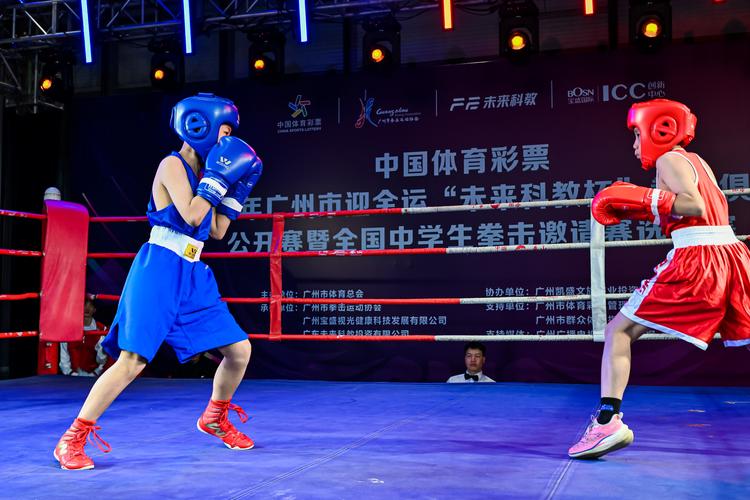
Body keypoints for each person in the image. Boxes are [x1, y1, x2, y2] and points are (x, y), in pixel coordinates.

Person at [54, 93, 264, 470]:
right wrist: (218, 179)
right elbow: (192, 214)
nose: (227, 141)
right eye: (224, 131)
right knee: (132, 360)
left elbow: (216, 230)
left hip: (193, 273)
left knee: (239, 350)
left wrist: (236, 192)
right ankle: (72, 438)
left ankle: (215, 417)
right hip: (160, 267)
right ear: (199, 125)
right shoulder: (172, 166)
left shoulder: (204, 176)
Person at [568, 99, 750, 459]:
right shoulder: (697, 162)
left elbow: (692, 206)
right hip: (732, 255)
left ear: (660, 129)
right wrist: (635, 207)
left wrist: (638, 196)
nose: (635, 145)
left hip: (698, 258)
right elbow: (690, 212)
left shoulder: (669, 159)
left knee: (618, 331)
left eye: (637, 134)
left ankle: (606, 422)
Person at [59, 294, 109, 377]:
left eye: (91, 305)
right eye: (84, 304)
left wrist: (94, 374)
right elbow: (64, 357)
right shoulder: (68, 329)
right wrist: (71, 374)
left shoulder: (102, 330)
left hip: (95, 377)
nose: (87, 308)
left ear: (95, 309)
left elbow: (103, 361)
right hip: (71, 377)